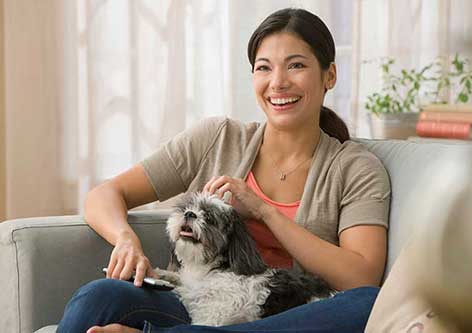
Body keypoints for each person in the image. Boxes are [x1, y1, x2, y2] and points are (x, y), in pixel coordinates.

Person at [57, 7, 390, 333]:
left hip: (291, 317)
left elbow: (360, 277)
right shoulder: (217, 138)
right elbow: (105, 195)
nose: (278, 82)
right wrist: (126, 239)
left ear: (329, 75)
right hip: (195, 302)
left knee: (367, 304)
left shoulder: (355, 168)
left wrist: (264, 211)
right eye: (264, 68)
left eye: (296, 66)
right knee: (98, 297)